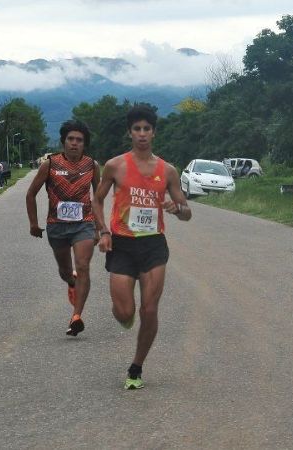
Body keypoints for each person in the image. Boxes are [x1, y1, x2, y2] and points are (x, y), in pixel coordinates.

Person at [92, 105, 192, 389]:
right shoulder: (115, 166)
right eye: (137, 129)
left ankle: (136, 368)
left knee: (149, 310)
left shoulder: (168, 171)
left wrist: (177, 209)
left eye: (147, 129)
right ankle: (125, 314)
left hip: (153, 245)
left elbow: (187, 212)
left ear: (154, 132)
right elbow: (97, 200)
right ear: (130, 133)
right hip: (122, 245)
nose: (142, 134)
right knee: (125, 312)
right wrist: (103, 231)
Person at [26, 120, 101, 336]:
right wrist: (33, 223)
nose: (74, 143)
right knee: (66, 272)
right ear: (63, 141)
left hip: (84, 224)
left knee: (83, 266)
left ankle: (76, 316)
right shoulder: (49, 164)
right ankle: (71, 281)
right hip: (56, 226)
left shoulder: (92, 165)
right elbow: (31, 194)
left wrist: (98, 228)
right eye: (71, 139)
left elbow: (99, 198)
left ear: (84, 144)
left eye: (79, 140)